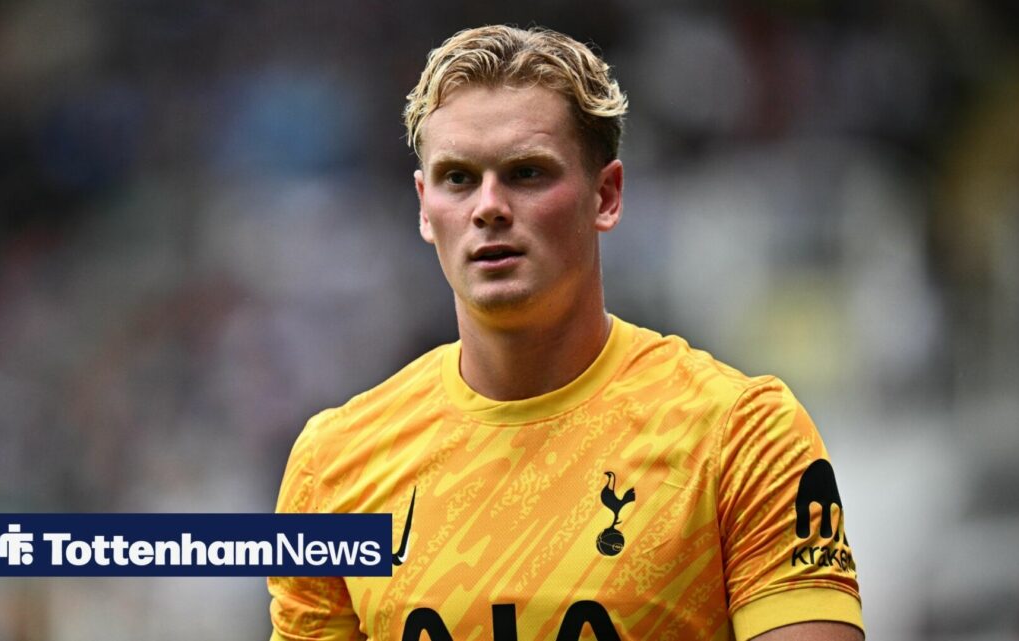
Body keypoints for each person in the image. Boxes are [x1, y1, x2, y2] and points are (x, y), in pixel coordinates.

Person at [268, 24, 863, 641]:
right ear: (424, 205)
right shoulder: (333, 466)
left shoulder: (741, 437)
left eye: (526, 173)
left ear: (605, 195)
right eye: (458, 178)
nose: (488, 207)